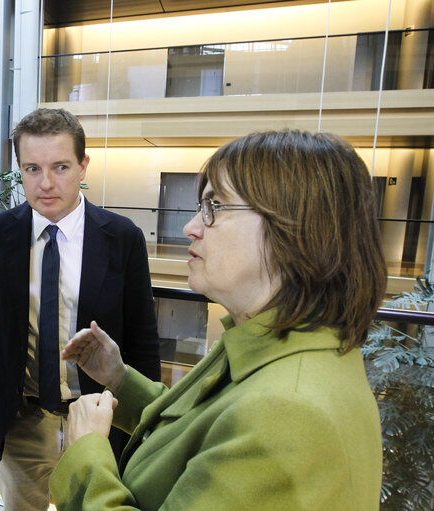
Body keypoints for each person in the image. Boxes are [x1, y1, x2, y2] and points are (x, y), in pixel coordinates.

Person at [49, 130, 387, 510]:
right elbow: (203, 429)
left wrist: (85, 455)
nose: (191, 227)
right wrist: (121, 380)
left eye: (215, 206)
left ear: (293, 228)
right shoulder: (273, 342)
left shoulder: (284, 415)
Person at [0, 108, 161, 510]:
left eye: (61, 167)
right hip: (21, 422)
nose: (46, 183)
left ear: (83, 166)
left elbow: (142, 339)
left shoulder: (123, 238)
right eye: (32, 168)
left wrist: (143, 423)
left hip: (98, 421)